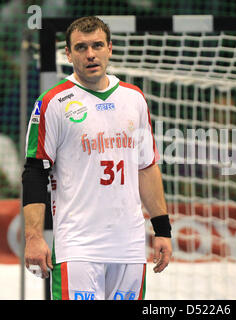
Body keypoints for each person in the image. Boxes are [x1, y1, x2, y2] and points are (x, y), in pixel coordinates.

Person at [21, 16, 172, 300]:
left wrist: (162, 229)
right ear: (68, 53)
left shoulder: (134, 98)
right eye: (80, 48)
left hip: (129, 246)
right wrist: (34, 236)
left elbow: (146, 167)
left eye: (97, 45)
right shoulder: (52, 102)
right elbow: (34, 172)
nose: (90, 54)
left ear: (110, 48)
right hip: (78, 246)